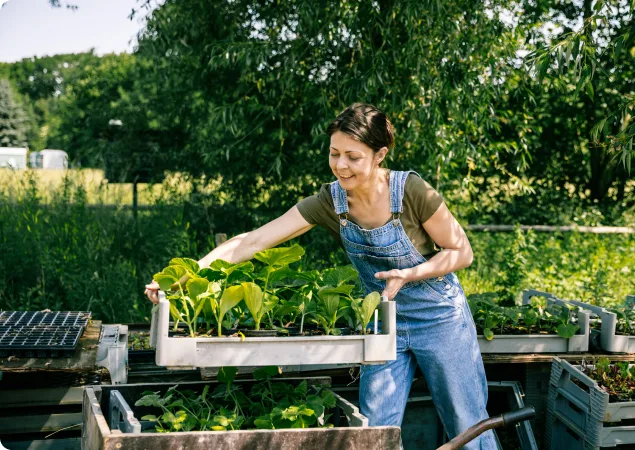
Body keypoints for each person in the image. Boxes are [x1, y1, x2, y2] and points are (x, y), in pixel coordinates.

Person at [145, 103, 498, 449]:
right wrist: (183, 277)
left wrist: (410, 273)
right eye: (334, 153)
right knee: (372, 430)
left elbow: (461, 251)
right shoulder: (331, 201)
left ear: (380, 155)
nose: (340, 166)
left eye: (353, 157)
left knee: (467, 423)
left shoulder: (411, 192)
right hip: (382, 322)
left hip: (439, 317)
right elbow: (252, 241)